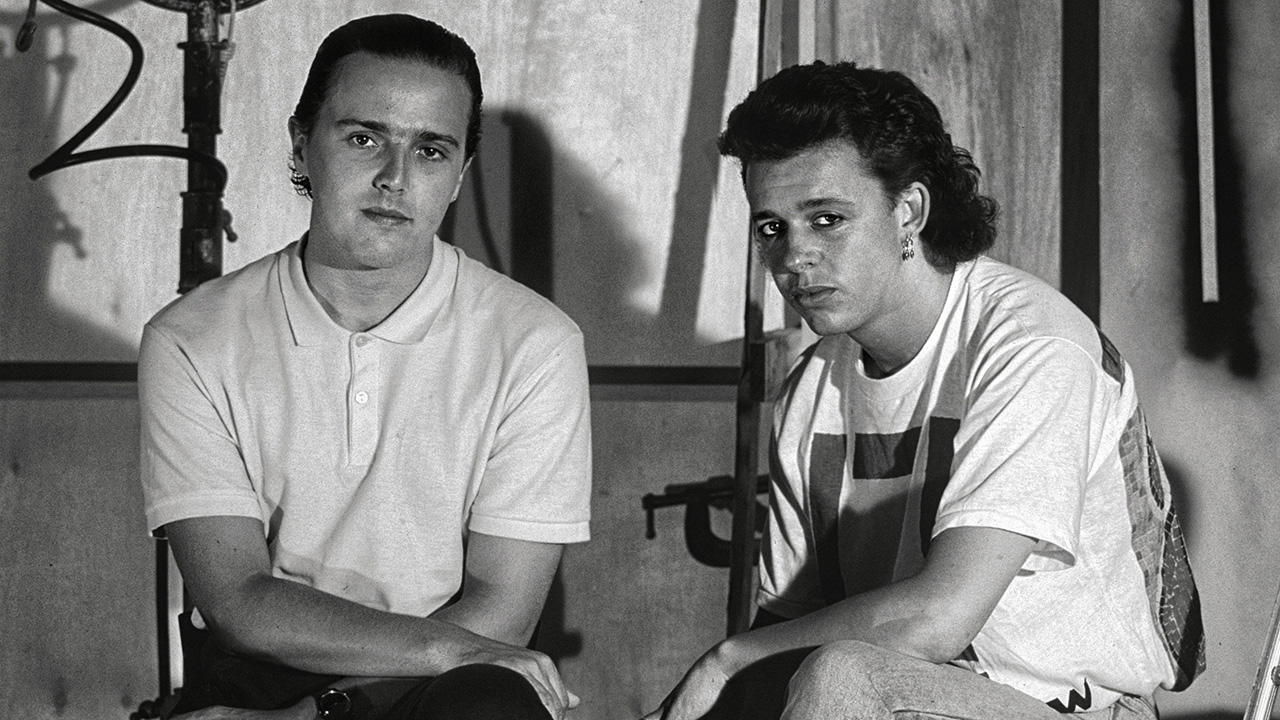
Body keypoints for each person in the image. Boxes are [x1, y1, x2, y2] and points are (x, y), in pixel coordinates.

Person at [644, 61, 1204, 720]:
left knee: (844, 679)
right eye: (772, 228)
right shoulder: (812, 391)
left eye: (826, 219)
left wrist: (727, 658)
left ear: (908, 210)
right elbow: (787, 631)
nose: (794, 256)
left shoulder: (1030, 347)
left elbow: (940, 620)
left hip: (1075, 711)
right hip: (905, 702)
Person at [138, 14, 591, 720]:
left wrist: (329, 714)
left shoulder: (536, 343)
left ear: (460, 172)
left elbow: (504, 607)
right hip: (263, 676)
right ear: (301, 144)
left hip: (448, 690)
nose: (394, 178)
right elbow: (238, 601)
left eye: (431, 150)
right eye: (363, 137)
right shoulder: (192, 338)